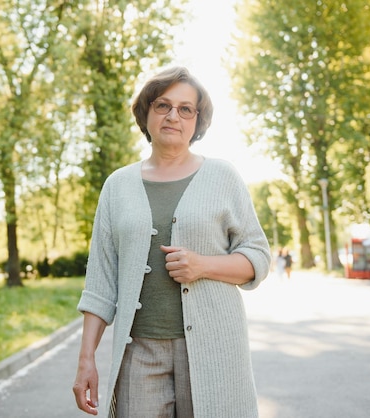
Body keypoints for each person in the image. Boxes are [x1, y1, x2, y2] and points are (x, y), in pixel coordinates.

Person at [72, 66, 271, 418]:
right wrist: (86, 360)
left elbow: (257, 256)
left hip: (214, 350)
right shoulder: (117, 186)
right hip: (139, 352)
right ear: (146, 113)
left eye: (185, 109)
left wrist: (203, 265)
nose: (173, 116)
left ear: (198, 120)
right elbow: (100, 282)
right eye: (163, 105)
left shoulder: (222, 176)